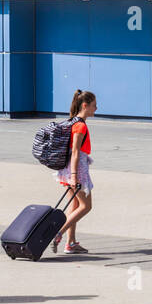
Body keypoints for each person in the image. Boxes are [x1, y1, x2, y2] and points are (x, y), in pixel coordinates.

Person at [52, 90, 97, 255]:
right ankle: (58, 233)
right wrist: (74, 177)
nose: (96, 108)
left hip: (68, 169)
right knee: (86, 206)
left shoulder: (72, 122)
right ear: (85, 106)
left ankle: (70, 243)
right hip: (76, 170)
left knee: (75, 205)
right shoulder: (80, 125)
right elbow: (76, 152)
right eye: (93, 105)